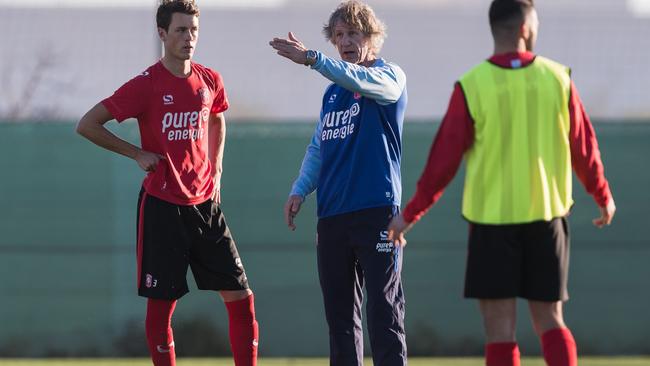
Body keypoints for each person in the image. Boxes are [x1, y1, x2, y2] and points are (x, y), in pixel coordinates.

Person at [387, 1, 615, 365]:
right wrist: (602, 195)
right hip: (546, 218)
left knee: (499, 330)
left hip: (491, 223)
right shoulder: (558, 78)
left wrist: (410, 214)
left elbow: (442, 163)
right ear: (525, 27)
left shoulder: (473, 85)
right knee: (551, 321)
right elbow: (584, 147)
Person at [75, 1, 258, 365]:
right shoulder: (145, 85)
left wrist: (217, 167)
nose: (189, 38)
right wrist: (135, 153)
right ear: (162, 33)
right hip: (162, 207)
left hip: (206, 206)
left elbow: (218, 118)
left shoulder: (209, 80)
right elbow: (88, 124)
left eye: (193, 30)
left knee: (241, 298)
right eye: (180, 30)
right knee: (162, 310)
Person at [269, 1, 408, 365]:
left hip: (377, 212)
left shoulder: (388, 75)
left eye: (354, 33)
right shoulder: (332, 95)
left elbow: (361, 79)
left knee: (384, 313)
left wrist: (313, 60)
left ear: (372, 37)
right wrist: (300, 189)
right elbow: (319, 146)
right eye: (339, 35)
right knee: (341, 323)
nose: (346, 41)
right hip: (332, 217)